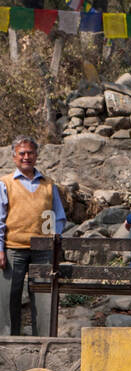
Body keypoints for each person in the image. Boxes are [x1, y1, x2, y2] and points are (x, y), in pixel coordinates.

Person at [0, 136, 66, 336]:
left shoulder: (48, 184)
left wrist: (54, 240)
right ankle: (6, 344)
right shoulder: (5, 183)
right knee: (8, 298)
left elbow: (59, 217)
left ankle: (44, 342)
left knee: (44, 297)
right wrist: (0, 249)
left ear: (36, 156)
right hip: (13, 248)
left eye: (30, 153)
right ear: (14, 157)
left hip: (42, 250)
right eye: (22, 153)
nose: (26, 157)